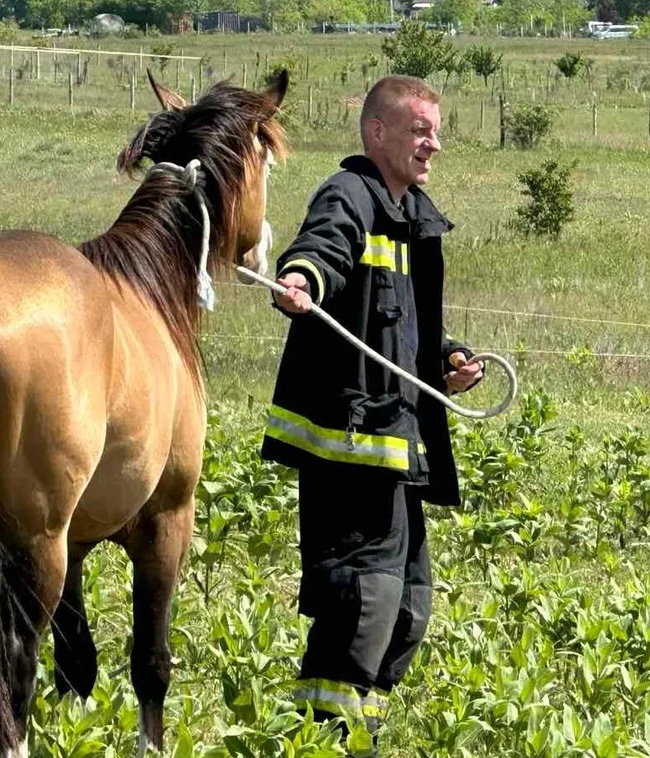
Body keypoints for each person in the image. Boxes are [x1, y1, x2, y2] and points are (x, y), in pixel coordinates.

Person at [259, 75, 483, 757]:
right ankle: (314, 741)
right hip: (349, 448)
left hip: (396, 447)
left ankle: (361, 737)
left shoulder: (411, 212)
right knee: (362, 604)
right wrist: (299, 278)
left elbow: (398, 320)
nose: (433, 144)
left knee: (408, 611)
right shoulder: (346, 194)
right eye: (419, 130)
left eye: (435, 130)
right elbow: (323, 248)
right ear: (377, 131)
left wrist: (444, 360)